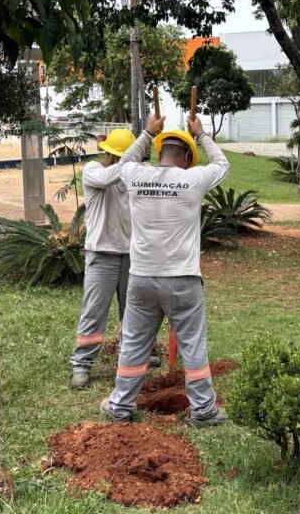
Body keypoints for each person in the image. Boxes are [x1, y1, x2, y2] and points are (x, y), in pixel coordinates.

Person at [101, 112, 230, 428]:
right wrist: (200, 134)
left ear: (160, 153)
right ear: (186, 158)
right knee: (193, 347)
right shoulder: (193, 179)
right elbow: (222, 164)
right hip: (183, 280)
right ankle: (203, 411)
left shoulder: (136, 175)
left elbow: (125, 162)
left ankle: (120, 406)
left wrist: (147, 132)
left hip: (142, 279)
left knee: (134, 344)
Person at [69, 128, 135, 390]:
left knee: (132, 313)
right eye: (118, 156)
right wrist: (131, 159)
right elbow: (110, 177)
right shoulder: (94, 171)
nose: (119, 161)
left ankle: (130, 355)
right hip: (102, 255)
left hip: (131, 255)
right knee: (94, 312)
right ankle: (82, 365)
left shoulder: (131, 177)